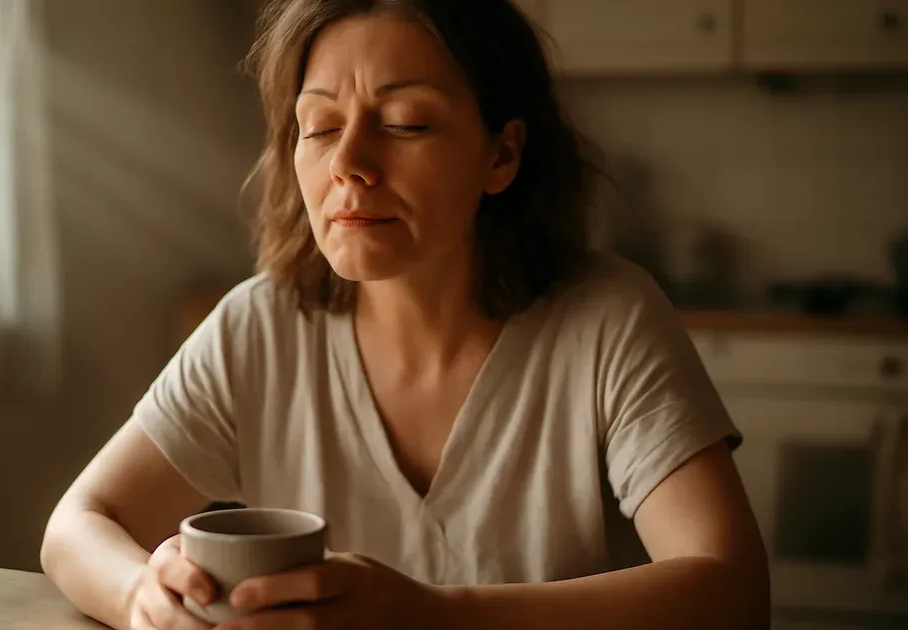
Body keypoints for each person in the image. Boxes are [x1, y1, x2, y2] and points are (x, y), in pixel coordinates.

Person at [40, 0, 770, 628]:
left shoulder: (607, 319)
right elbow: (76, 526)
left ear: (502, 154)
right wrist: (142, 594)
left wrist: (439, 617)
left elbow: (733, 593)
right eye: (320, 127)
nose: (349, 164)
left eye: (407, 123)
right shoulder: (257, 327)